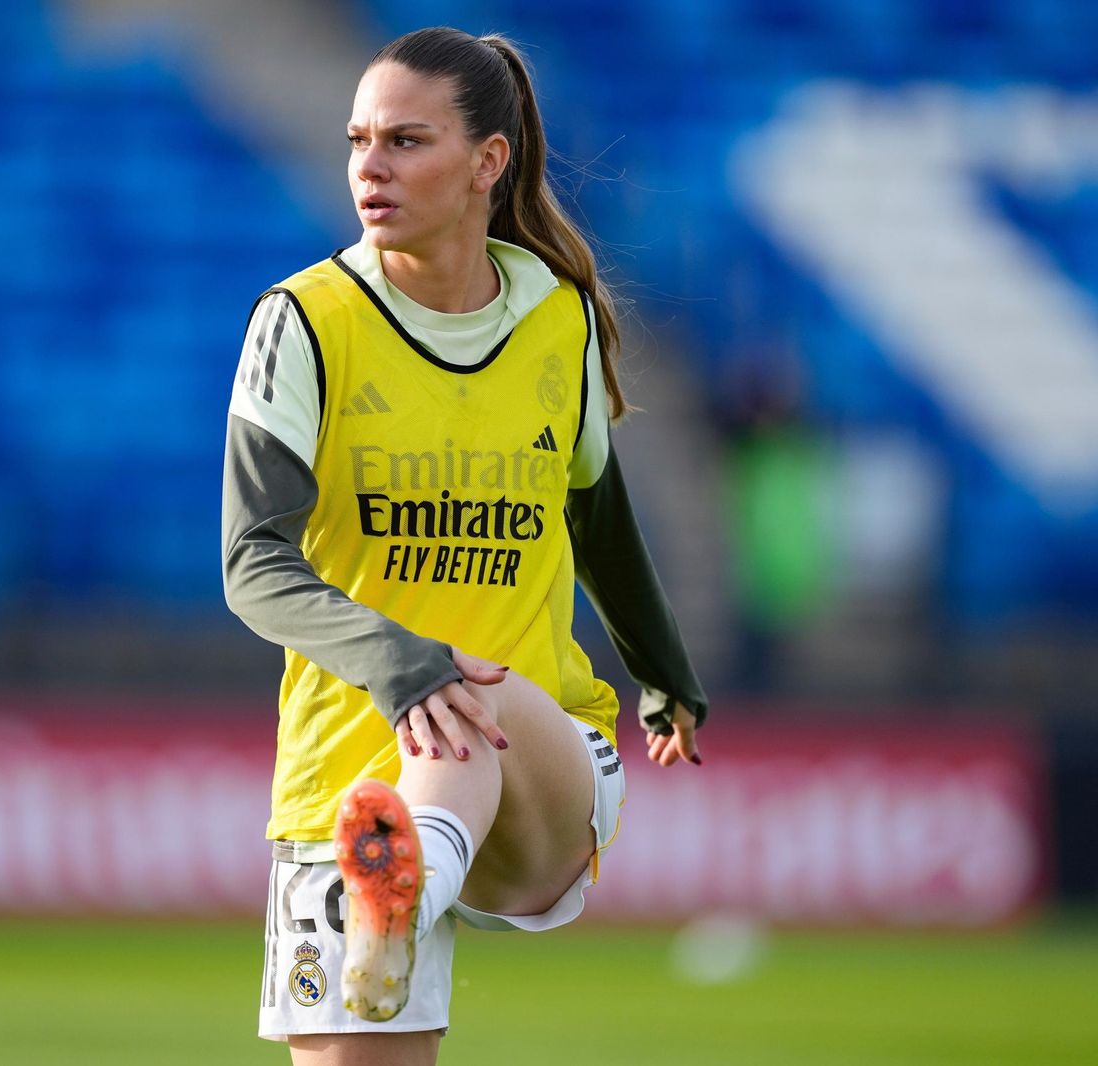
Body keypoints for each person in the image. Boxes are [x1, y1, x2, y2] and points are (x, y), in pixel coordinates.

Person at [222, 27, 707, 1065]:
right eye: (358, 140)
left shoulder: (555, 319)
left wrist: (661, 668)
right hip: (346, 780)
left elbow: (595, 507)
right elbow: (250, 563)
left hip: (537, 758)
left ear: (487, 161)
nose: (369, 167)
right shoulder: (301, 323)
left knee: (472, 699)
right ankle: (389, 895)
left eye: (404, 141)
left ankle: (403, 889)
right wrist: (402, 667)